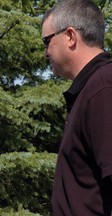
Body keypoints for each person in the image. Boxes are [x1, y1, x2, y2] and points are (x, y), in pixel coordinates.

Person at [41, 0, 112, 215]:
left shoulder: (103, 87)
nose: (45, 53)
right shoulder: (92, 88)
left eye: (47, 41)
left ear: (70, 36)